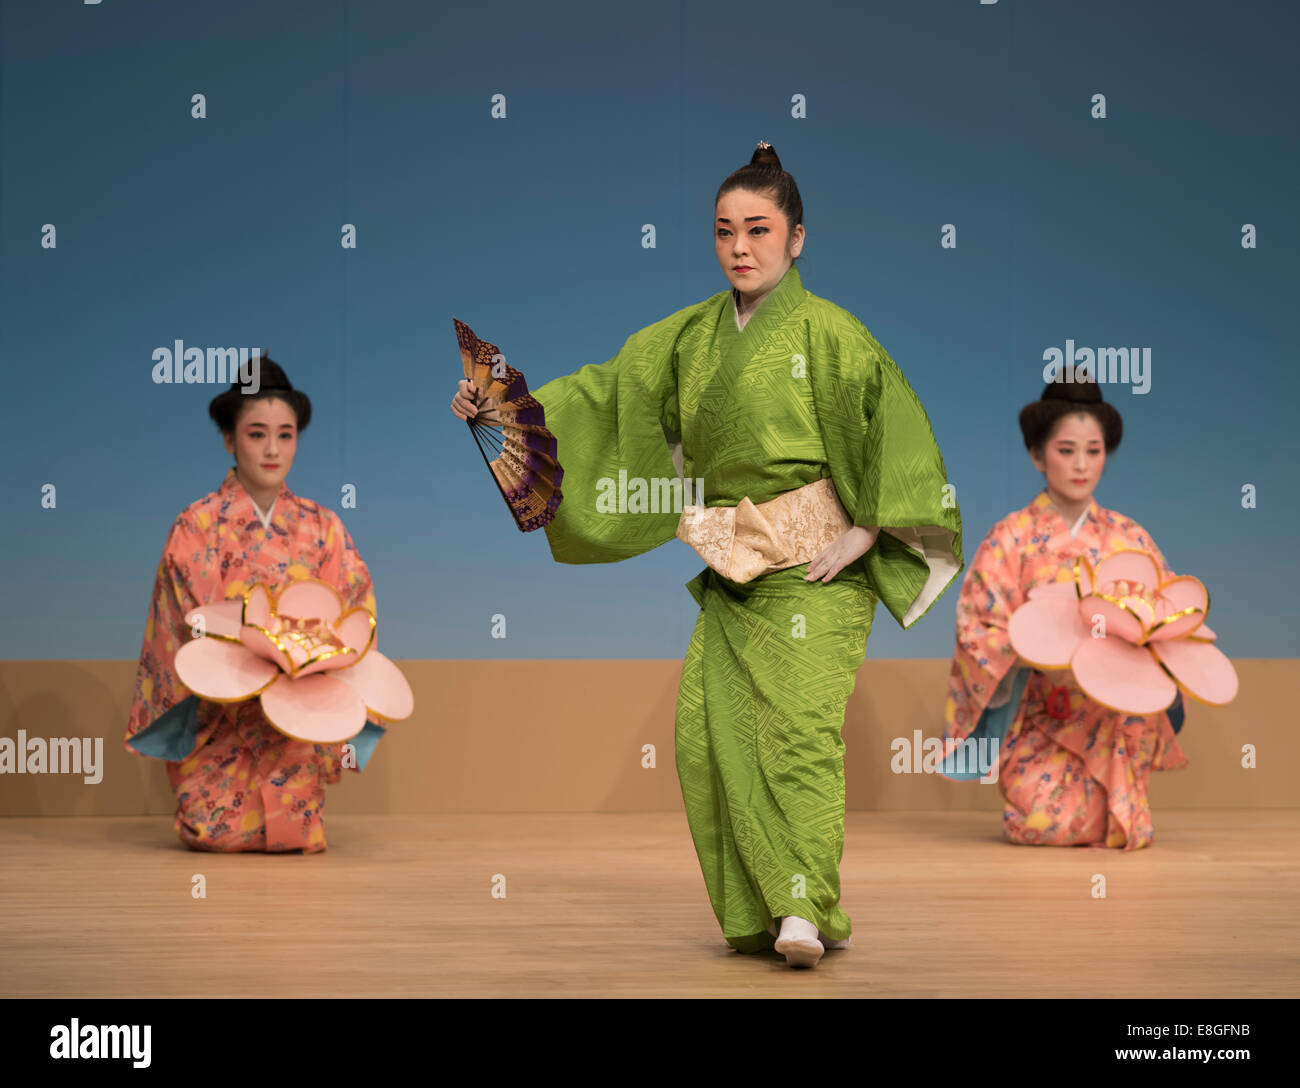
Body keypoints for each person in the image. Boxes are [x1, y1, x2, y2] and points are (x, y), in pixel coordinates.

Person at [452, 142, 963, 966]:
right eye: (724, 230)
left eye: (759, 229)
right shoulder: (689, 337)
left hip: (817, 569)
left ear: (798, 238)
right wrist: (506, 410)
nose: (740, 247)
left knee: (797, 729)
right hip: (736, 570)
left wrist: (867, 529)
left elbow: (891, 429)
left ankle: (804, 905)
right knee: (708, 736)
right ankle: (764, 913)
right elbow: (603, 393)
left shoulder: (832, 334)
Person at [126, 357, 385, 853]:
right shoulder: (197, 525)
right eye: (256, 434)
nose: (272, 449)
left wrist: (309, 662)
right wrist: (260, 654)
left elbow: (354, 613)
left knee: (299, 835)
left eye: (285, 435)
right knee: (215, 832)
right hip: (221, 719)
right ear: (229, 439)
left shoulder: (323, 527)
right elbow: (191, 629)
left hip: (298, 720)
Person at [939, 375, 1188, 849]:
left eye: (1093, 451)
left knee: (1126, 829)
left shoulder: (1129, 538)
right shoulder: (1010, 537)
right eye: (1066, 449)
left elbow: (1168, 625)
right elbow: (978, 630)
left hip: (1114, 716)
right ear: (1037, 455)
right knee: (1045, 824)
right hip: (1038, 714)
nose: (1081, 465)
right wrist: (1039, 645)